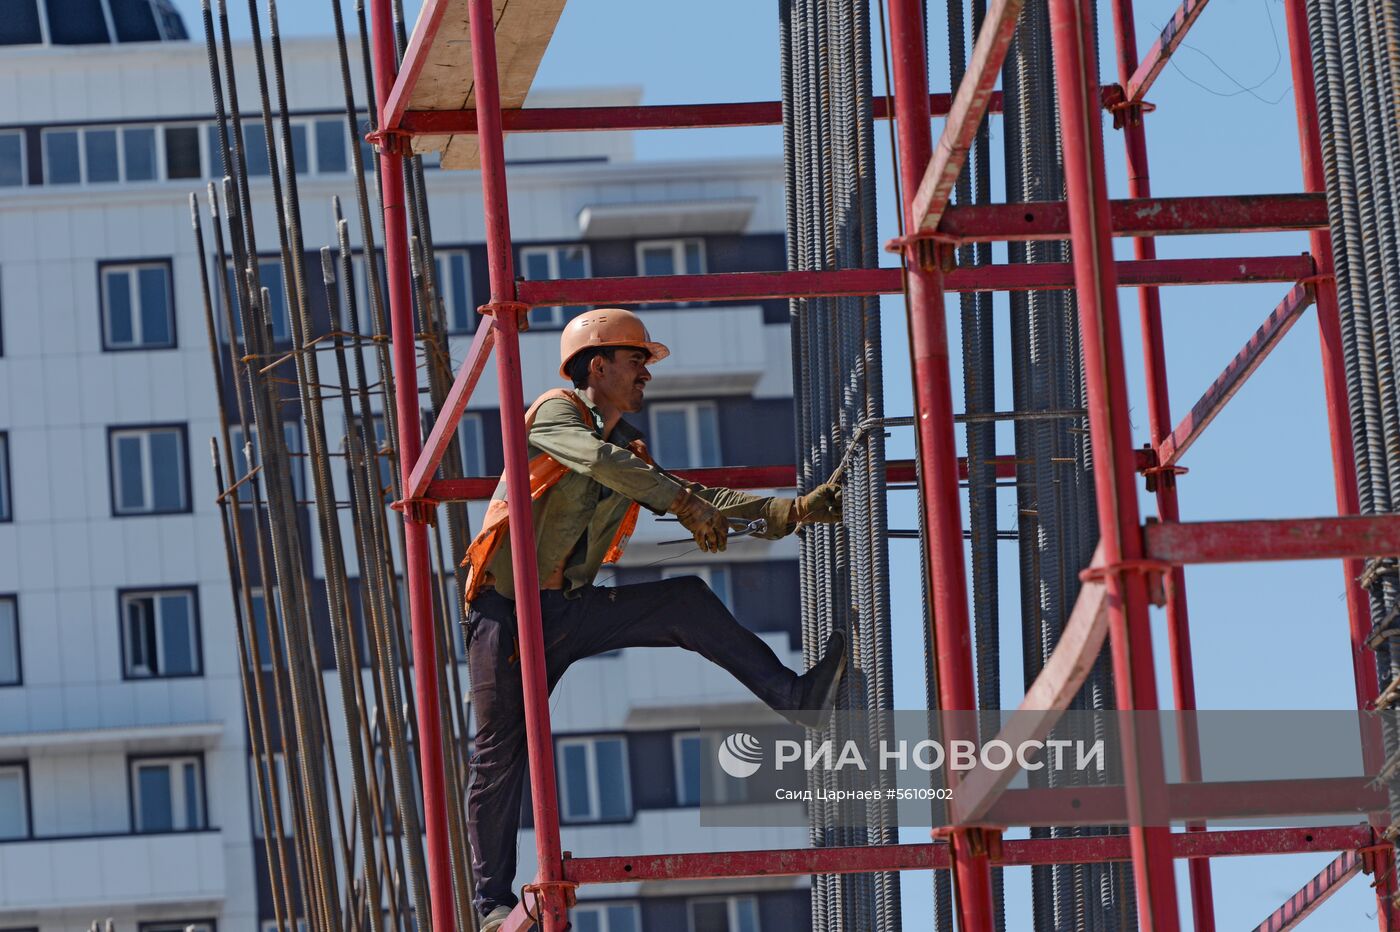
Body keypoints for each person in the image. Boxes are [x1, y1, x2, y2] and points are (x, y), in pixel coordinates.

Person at [462, 307, 846, 931]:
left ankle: (795, 695)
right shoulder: (557, 414)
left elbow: (690, 494)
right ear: (598, 365)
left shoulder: (625, 452)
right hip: (504, 617)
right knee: (499, 754)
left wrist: (792, 512)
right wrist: (686, 504)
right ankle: (490, 904)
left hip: (565, 611)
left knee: (685, 600)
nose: (646, 374)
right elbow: (604, 466)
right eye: (636, 361)